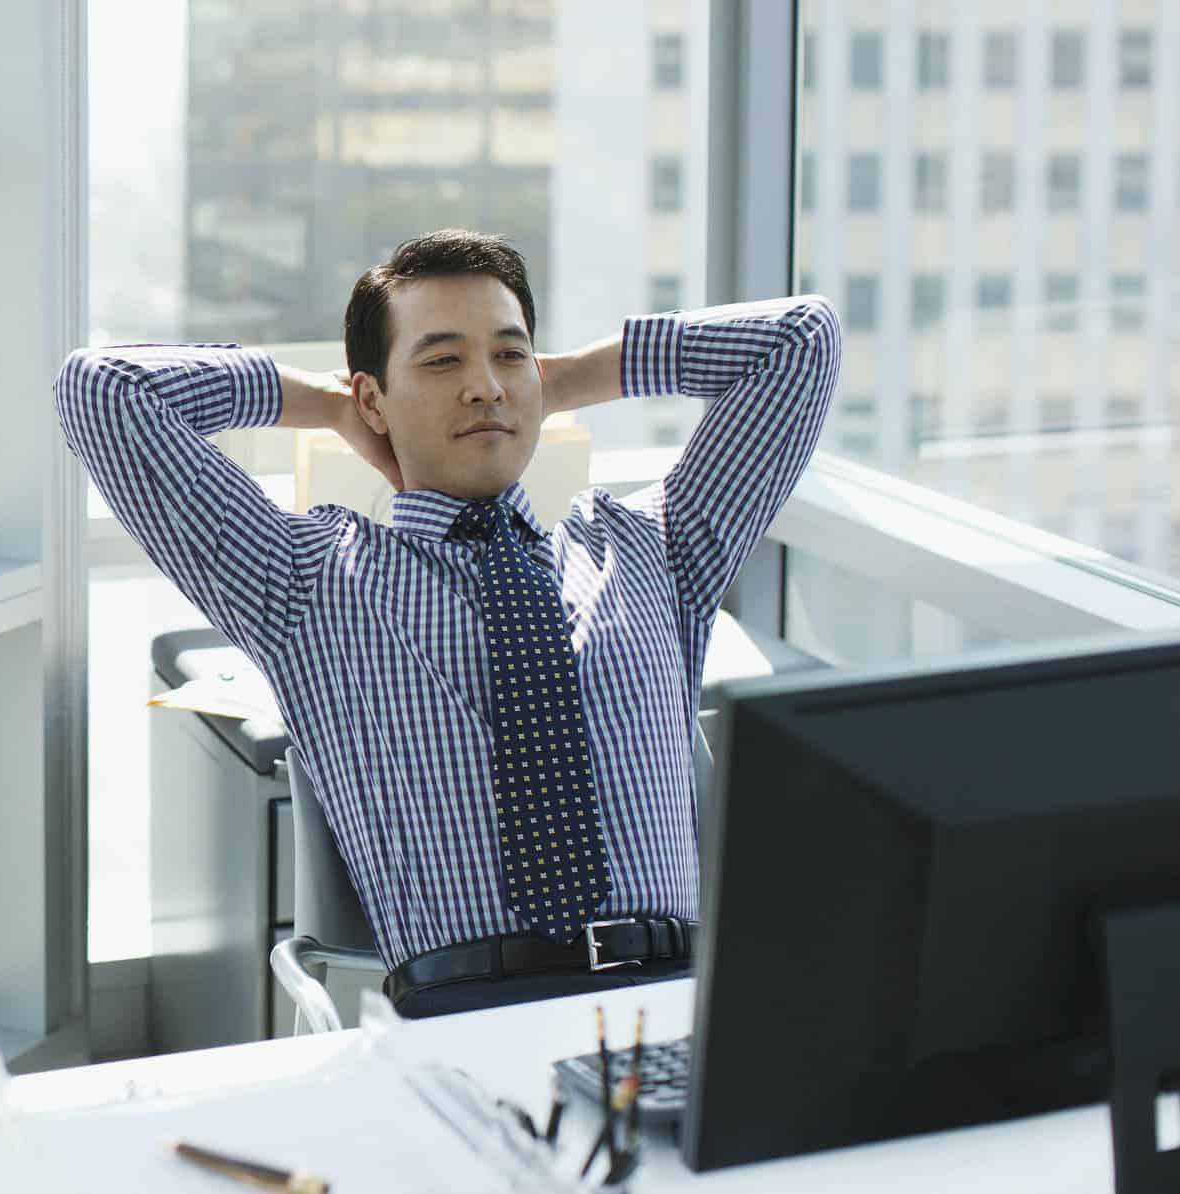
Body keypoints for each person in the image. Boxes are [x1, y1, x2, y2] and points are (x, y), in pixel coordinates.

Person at [54, 230, 842, 1017]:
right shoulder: (304, 580)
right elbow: (105, 388)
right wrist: (328, 406)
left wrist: (560, 380)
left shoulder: (655, 549)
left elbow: (800, 340)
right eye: (440, 361)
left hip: (680, 1002)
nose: (483, 388)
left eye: (507, 355)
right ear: (374, 397)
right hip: (463, 1014)